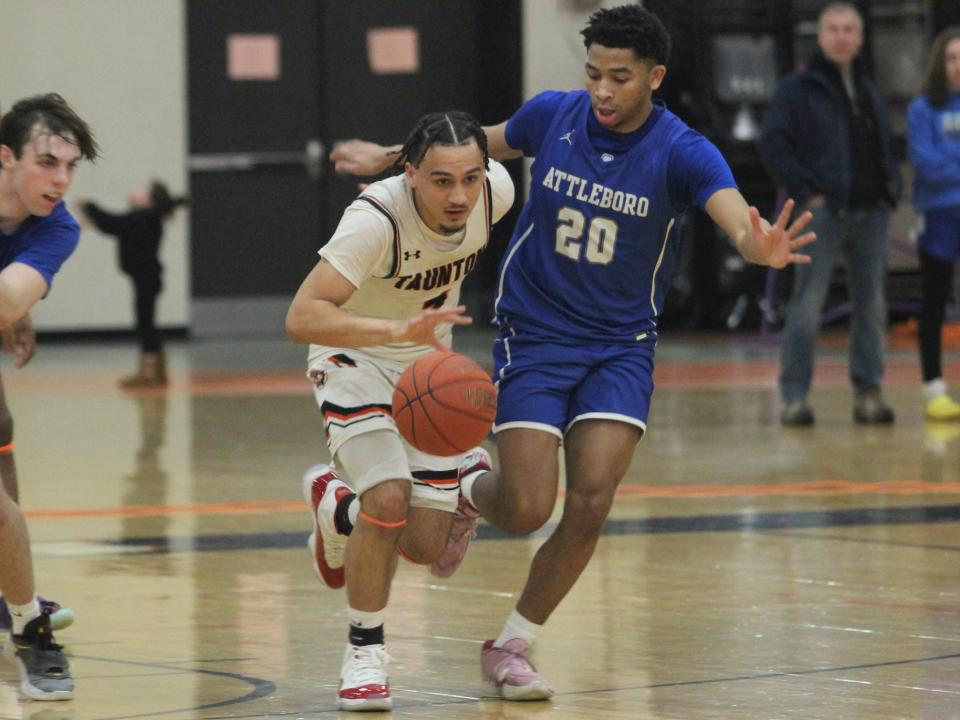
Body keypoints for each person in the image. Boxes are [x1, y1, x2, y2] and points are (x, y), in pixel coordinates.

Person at [330, 4, 813, 700]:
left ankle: (512, 644)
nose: (604, 92)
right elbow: (474, 146)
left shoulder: (681, 150)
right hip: (536, 333)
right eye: (594, 74)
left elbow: (732, 212)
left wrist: (754, 243)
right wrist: (386, 158)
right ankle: (469, 486)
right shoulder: (552, 115)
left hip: (620, 346)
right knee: (528, 507)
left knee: (590, 502)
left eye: (620, 77)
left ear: (656, 77)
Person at [286, 111, 514, 711]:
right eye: (441, 181)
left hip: (428, 372)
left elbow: (502, 145)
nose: (459, 195)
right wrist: (390, 328)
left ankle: (336, 506)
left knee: (421, 546)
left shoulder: (498, 191)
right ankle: (365, 651)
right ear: (411, 176)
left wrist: (394, 149)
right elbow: (301, 315)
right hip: (353, 357)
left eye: (470, 178)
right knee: (388, 497)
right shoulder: (374, 220)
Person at [760, 1, 903, 426]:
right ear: (820, 36)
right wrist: (809, 193)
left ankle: (868, 393)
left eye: (849, 30)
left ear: (859, 38)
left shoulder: (866, 87)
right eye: (834, 29)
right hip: (821, 214)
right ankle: (793, 397)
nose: (842, 37)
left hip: (870, 213)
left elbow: (882, 145)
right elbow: (773, 144)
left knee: (872, 306)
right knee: (807, 305)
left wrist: (888, 190)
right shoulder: (797, 89)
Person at [0, 93, 99, 699]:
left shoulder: (58, 226)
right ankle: (28, 618)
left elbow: (9, 298)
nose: (60, 180)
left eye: (70, 166)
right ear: (6, 159)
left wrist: (18, 309)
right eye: (46, 163)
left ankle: (18, 602)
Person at [76, 181, 187, 388]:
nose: (136, 189)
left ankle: (150, 373)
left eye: (142, 189)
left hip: (146, 278)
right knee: (147, 322)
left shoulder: (142, 217)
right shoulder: (143, 219)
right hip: (147, 278)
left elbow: (111, 222)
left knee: (145, 323)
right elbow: (114, 226)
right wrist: (93, 220)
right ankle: (157, 371)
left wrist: (88, 206)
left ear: (148, 200)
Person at [906, 27, 960, 422]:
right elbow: (926, 163)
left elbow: (942, 163)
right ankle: (934, 388)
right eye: (952, 58)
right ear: (940, 64)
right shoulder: (923, 108)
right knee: (934, 302)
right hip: (939, 217)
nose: (958, 66)